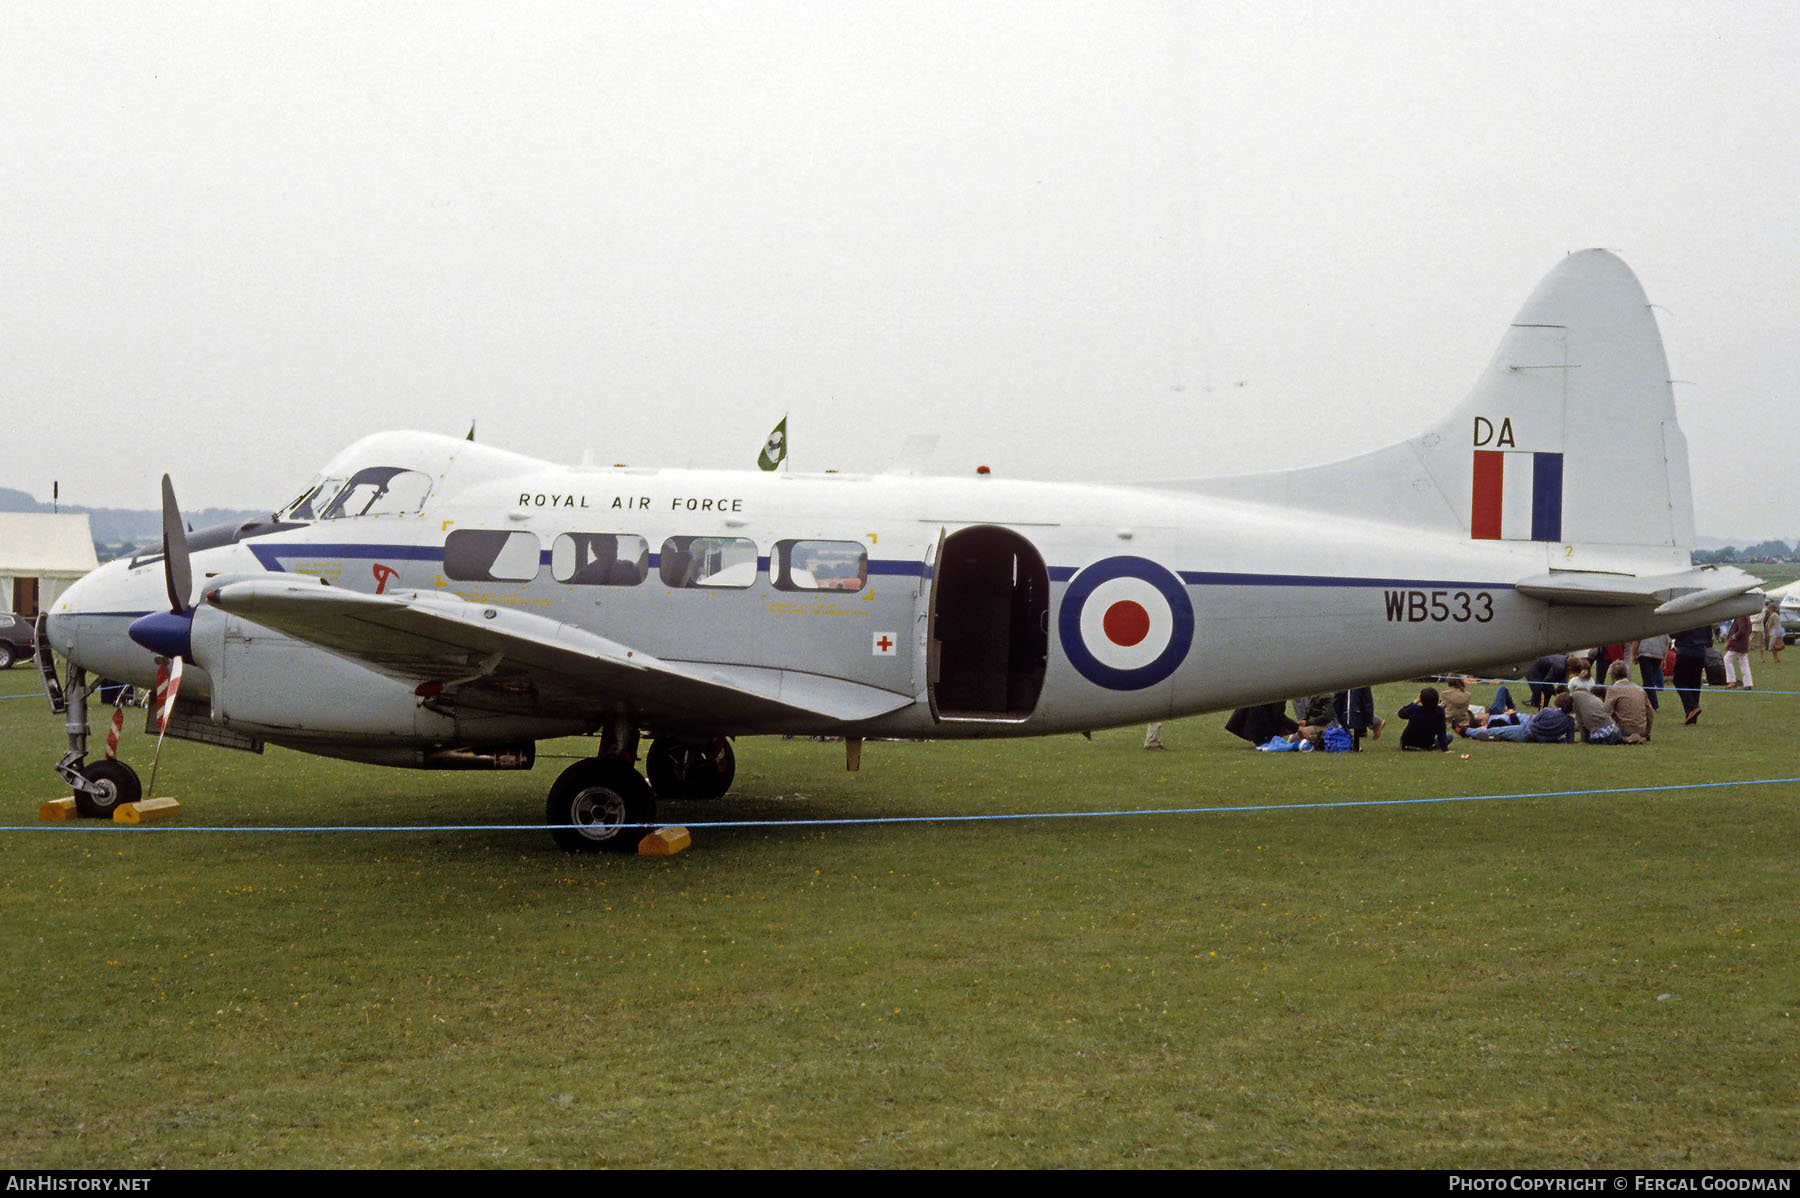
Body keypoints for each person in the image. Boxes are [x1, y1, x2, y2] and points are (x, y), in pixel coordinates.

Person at [1469, 693, 1576, 743]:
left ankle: (1467, 731)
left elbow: (1532, 721)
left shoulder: (1546, 711)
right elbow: (1569, 739)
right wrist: (1555, 739)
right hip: (1538, 739)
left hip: (1527, 732)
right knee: (1505, 734)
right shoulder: (1570, 721)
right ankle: (1499, 737)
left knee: (1495, 730)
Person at [1602, 660, 1654, 742]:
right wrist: (1647, 733)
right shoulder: (1639, 689)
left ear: (1612, 676)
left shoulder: (1613, 690)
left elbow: (1606, 713)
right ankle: (1637, 737)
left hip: (1623, 729)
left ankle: (1625, 739)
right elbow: (1650, 712)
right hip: (1641, 730)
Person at [1396, 687, 1452, 751]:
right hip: (1426, 744)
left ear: (1421, 699)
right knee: (1449, 736)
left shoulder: (1415, 709)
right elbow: (1441, 732)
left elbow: (1401, 713)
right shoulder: (1439, 712)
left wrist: (1416, 701)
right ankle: (1430, 747)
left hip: (1407, 743)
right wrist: (1445, 749)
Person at [1632, 633, 1669, 709]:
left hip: (1645, 653)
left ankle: (1653, 704)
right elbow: (1667, 642)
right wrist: (1664, 658)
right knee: (1649, 680)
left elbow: (1636, 640)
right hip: (1658, 654)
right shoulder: (1663, 625)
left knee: (1648, 682)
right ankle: (1644, 702)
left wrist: (1634, 654)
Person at [1723, 614, 1754, 690]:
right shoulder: (1747, 616)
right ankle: (1747, 683)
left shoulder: (1740, 615)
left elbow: (1742, 630)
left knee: (1727, 659)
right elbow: (1749, 629)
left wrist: (1734, 637)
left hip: (1738, 642)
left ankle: (1732, 681)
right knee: (1744, 662)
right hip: (1744, 642)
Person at [1758, 598, 1784, 664]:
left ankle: (1776, 659)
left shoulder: (1774, 615)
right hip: (1773, 632)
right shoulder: (1773, 615)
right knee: (1773, 646)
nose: (1768, 609)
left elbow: (1777, 625)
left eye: (1769, 608)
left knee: (1772, 646)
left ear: (1771, 609)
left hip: (1775, 633)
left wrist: (1778, 634)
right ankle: (1776, 659)